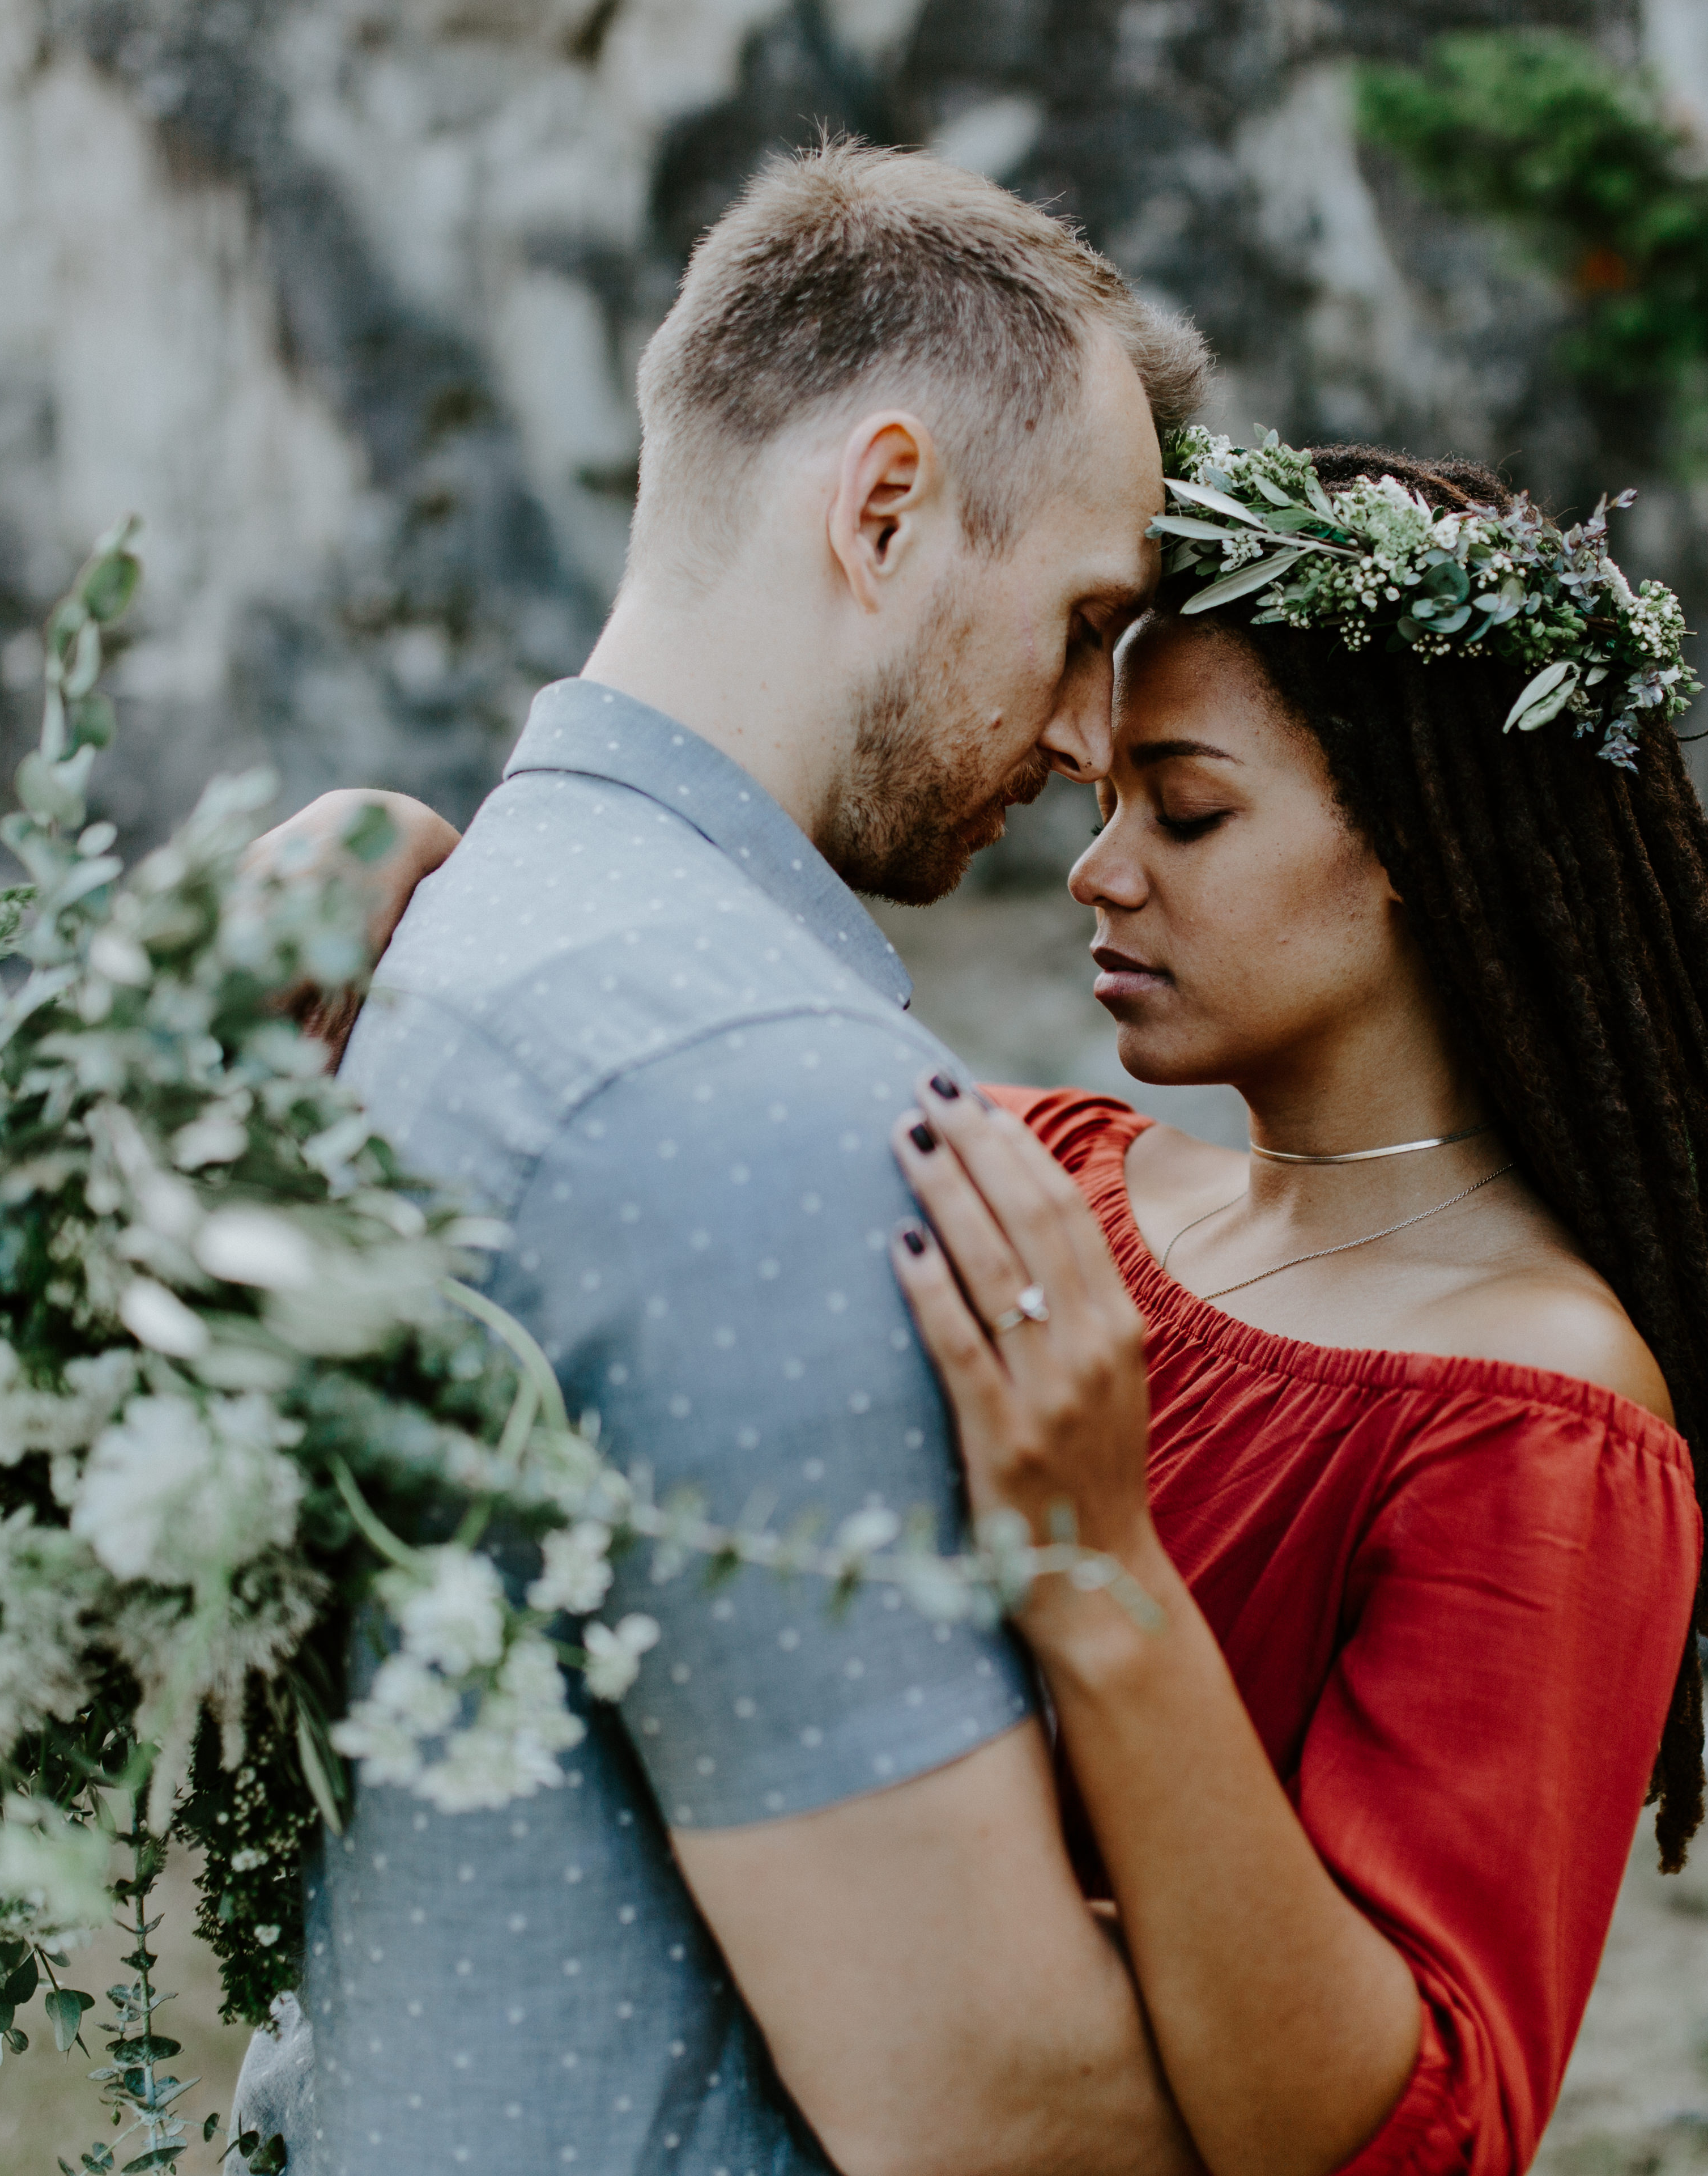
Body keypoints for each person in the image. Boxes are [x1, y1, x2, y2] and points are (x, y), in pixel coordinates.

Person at [291, 441, 1708, 2172]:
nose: (1101, 871)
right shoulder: (1053, 1177)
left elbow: (1417, 2134)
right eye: (1103, 809)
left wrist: (1102, 1577)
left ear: (1434, 855)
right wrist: (405, 860)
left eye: (1189, 810)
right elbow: (680, 1142)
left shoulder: (1537, 1412)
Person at [229, 141, 1216, 2174]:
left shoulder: (447, 936)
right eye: (1082, 618)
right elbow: (995, 2117)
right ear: (883, 509)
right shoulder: (760, 1102)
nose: (1089, 742)